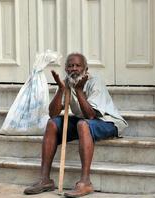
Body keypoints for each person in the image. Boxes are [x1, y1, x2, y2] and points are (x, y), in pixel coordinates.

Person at [24, 53, 128, 197]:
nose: (74, 69)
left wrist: (79, 90)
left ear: (85, 68)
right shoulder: (67, 82)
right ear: (66, 69)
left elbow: (90, 115)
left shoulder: (94, 81)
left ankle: (85, 183)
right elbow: (53, 113)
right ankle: (45, 179)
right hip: (84, 120)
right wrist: (61, 90)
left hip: (108, 121)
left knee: (83, 125)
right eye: (71, 66)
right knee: (52, 124)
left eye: (78, 66)